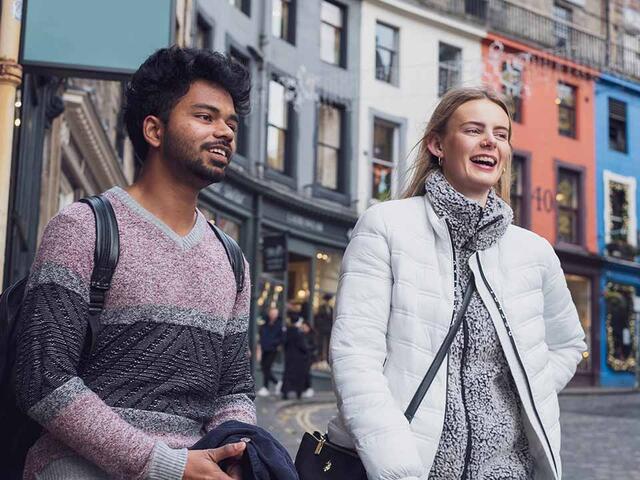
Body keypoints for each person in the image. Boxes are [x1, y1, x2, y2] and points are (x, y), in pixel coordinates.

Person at [12, 47, 255, 480]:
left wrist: (233, 454)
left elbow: (233, 391)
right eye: (205, 117)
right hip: (79, 466)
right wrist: (164, 465)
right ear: (154, 130)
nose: (225, 132)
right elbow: (43, 377)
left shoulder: (232, 260)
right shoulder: (83, 228)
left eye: (231, 122)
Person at [327, 87, 586, 479]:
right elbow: (354, 357)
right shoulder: (385, 227)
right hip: (411, 468)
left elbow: (567, 344)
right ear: (437, 144)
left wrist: (523, 392)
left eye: (501, 134)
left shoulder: (534, 252)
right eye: (473, 130)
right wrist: (397, 469)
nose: (490, 142)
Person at [281, 320, 315, 400]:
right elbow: (302, 346)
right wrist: (307, 351)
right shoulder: (299, 333)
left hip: (289, 358)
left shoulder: (287, 332)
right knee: (298, 377)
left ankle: (285, 393)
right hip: (299, 359)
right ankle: (298, 393)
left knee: (288, 376)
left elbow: (284, 343)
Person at [257, 307, 284, 397]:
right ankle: (276, 383)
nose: (273, 315)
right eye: (272, 313)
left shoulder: (279, 325)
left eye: (274, 313)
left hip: (272, 349)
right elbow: (261, 334)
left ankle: (266, 387)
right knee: (264, 367)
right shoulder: (265, 323)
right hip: (264, 348)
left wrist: (274, 344)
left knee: (267, 367)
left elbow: (281, 338)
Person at [314, 293, 334, 364]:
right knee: (321, 344)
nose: (328, 302)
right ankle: (320, 358)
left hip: (329, 329)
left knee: (328, 344)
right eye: (327, 300)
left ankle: (327, 360)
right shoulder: (321, 308)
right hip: (322, 329)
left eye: (329, 300)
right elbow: (318, 319)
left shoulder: (331, 309)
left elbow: (332, 319)